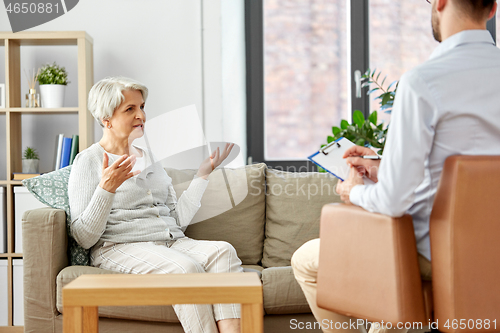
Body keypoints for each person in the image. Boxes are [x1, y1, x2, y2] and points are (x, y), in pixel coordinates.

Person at [292, 0, 500, 332]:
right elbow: (472, 169)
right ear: (491, 9)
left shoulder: (424, 82)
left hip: (433, 250)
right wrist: (384, 165)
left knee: (305, 260)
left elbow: (393, 202)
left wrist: (355, 191)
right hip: (491, 253)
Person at [68, 76, 242, 333]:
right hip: (119, 246)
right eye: (130, 109)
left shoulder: (151, 158)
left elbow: (177, 220)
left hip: (171, 242)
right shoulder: (89, 161)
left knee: (224, 252)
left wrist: (202, 174)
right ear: (107, 119)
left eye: (142, 107)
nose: (141, 115)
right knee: (186, 269)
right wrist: (107, 188)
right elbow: (83, 237)